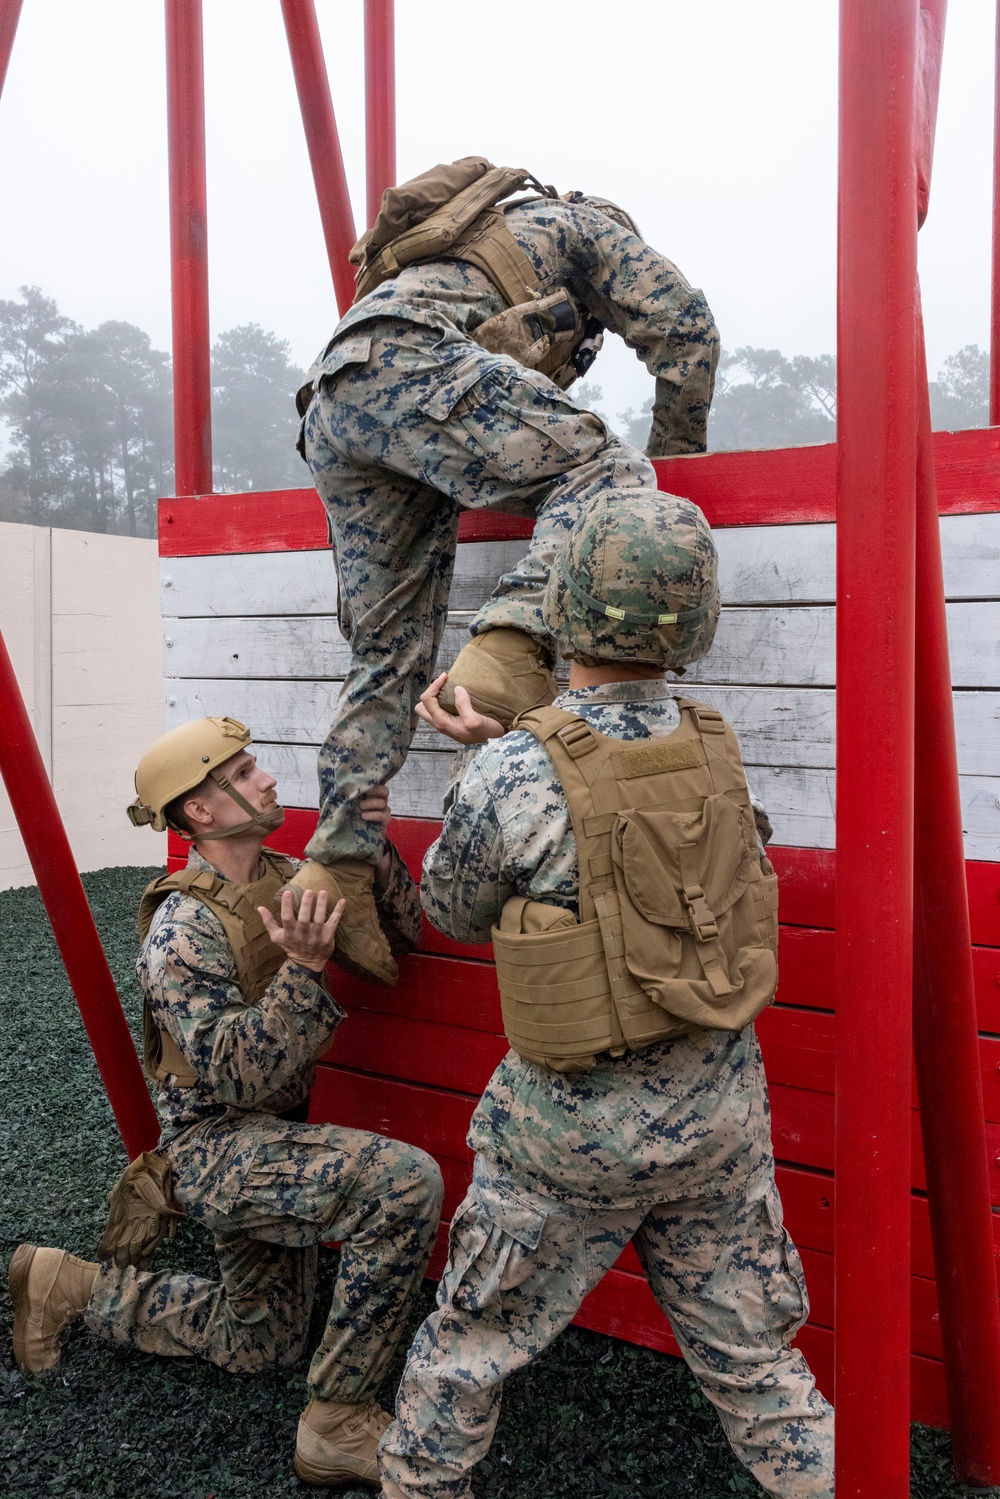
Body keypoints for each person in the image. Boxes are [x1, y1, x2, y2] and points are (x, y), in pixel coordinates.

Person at [377, 491, 835, 1498]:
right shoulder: (716, 742)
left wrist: (483, 763)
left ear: (565, 609)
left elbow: (452, 908)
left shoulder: (512, 765)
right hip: (717, 1121)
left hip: (566, 1138)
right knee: (762, 1369)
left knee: (466, 1354)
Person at [295, 155, 720, 987]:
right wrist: (679, 466)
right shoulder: (587, 229)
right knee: (611, 474)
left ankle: (339, 853)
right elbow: (687, 329)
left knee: (388, 653)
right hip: (414, 365)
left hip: (334, 400)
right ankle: (508, 651)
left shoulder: (458, 254)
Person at [8, 715, 444, 1490]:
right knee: (403, 1182)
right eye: (241, 773)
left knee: (262, 1341)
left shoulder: (284, 877)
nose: (268, 778)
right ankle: (337, 1420)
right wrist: (303, 971)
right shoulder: (181, 931)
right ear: (199, 812)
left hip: (275, 1137)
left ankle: (69, 1284)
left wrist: (369, 845)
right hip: (217, 1149)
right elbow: (236, 1079)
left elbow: (402, 939)